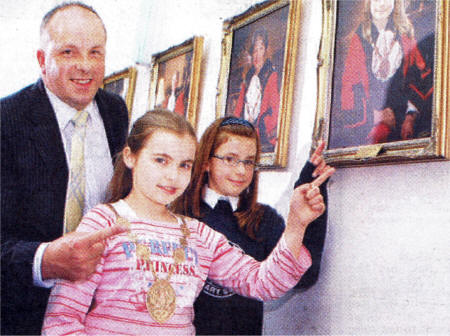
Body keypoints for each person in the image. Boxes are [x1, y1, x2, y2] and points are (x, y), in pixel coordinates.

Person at [42, 109, 333, 335]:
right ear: (131, 157)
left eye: (184, 165)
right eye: (160, 160)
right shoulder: (102, 222)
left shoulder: (199, 235)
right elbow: (63, 318)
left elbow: (262, 283)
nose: (172, 176)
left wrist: (297, 224)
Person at [1, 3, 129, 335]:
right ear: (43, 60)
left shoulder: (115, 111)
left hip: (105, 313)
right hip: (24, 314)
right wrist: (44, 260)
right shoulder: (6, 122)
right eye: (69, 52)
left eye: (95, 52)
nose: (85, 67)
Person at [173, 117, 335, 335]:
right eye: (230, 159)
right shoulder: (178, 216)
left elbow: (305, 275)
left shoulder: (262, 220)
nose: (241, 171)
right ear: (205, 162)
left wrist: (308, 192)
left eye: (249, 162)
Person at [333, 0, 431, 148]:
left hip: (403, 119)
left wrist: (410, 116)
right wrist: (376, 116)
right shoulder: (357, 40)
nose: (382, 4)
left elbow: (418, 79)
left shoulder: (405, 36)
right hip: (369, 124)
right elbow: (348, 91)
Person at [233, 28, 280, 153]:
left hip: (261, 136)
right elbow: (239, 110)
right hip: (243, 136)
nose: (257, 55)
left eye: (261, 49)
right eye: (254, 50)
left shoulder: (271, 75)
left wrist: (262, 126)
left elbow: (275, 110)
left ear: (266, 51)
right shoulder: (247, 78)